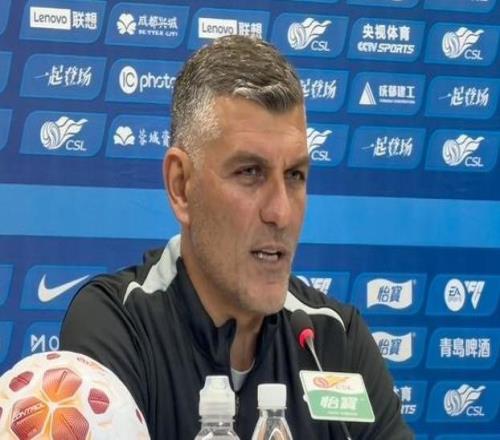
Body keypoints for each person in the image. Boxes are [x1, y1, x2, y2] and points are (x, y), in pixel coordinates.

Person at [60, 35, 413, 439]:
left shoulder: (334, 339)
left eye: (295, 175)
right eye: (250, 172)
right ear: (181, 186)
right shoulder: (118, 325)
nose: (280, 212)